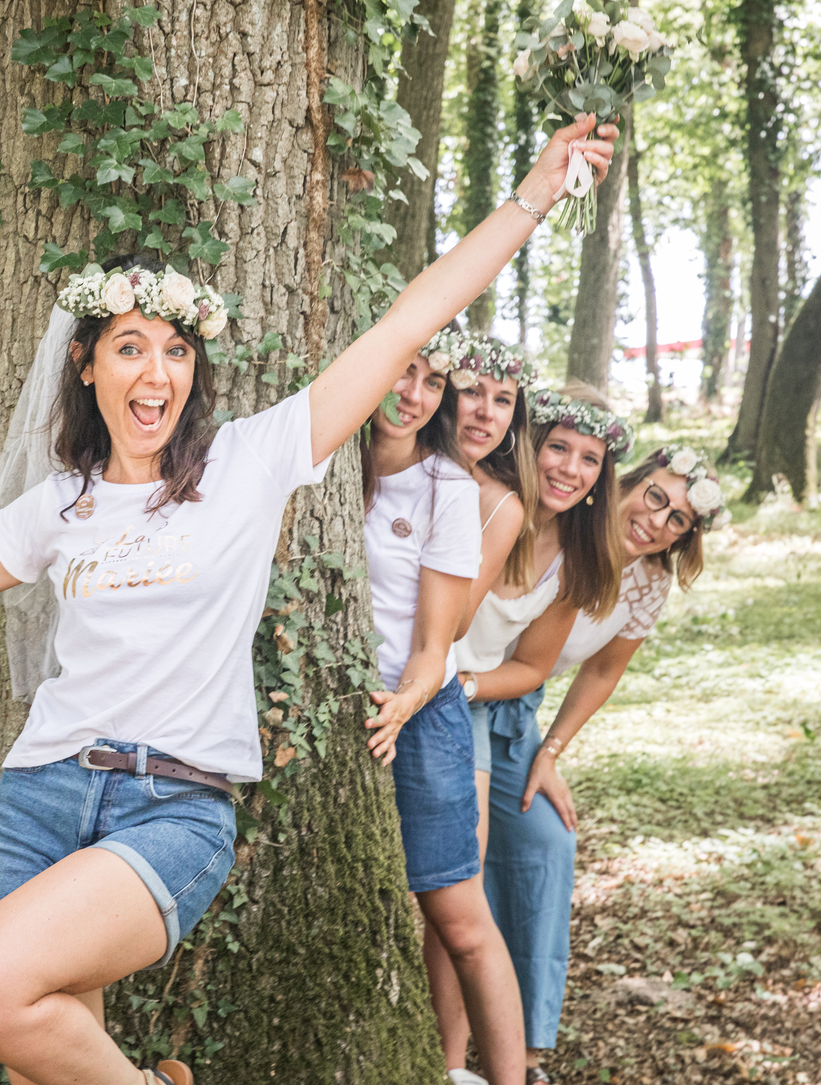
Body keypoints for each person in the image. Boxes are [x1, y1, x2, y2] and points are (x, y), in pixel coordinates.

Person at [0, 113, 619, 1085]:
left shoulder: (251, 458)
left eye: (175, 352)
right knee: (35, 1053)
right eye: (132, 348)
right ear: (86, 362)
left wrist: (531, 196)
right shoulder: (59, 504)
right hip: (39, 794)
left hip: (172, 803)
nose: (156, 371)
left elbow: (408, 318)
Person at [457, 446, 724, 1084]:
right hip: (466, 687)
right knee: (466, 863)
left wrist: (550, 754)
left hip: (516, 715)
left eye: (678, 521)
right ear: (629, 484)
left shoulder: (649, 582)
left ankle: (527, 1050)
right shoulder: (571, 528)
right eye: (655, 497)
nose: (658, 521)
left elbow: (603, 670)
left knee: (547, 842)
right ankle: (457, 1040)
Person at [431, 385, 632, 1085]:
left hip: (473, 701)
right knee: (457, 876)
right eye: (559, 448)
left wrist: (466, 689)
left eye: (589, 460)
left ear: (600, 480)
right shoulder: (490, 502)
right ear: (533, 444)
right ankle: (454, 1061)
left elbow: (531, 668)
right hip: (425, 683)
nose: (570, 469)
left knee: (472, 870)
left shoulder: (577, 561)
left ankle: (471, 1065)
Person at [358, 329, 525, 1085]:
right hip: (333, 708)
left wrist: (402, 705)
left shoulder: (449, 490)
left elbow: (436, 643)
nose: (412, 394)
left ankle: (509, 1077)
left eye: (431, 382)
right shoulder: (331, 465)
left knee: (458, 918)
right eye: (404, 373)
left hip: (418, 716)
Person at [446, 336, 539, 635]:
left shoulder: (503, 509)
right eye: (472, 391)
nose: (486, 413)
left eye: (502, 400)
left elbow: (457, 625)